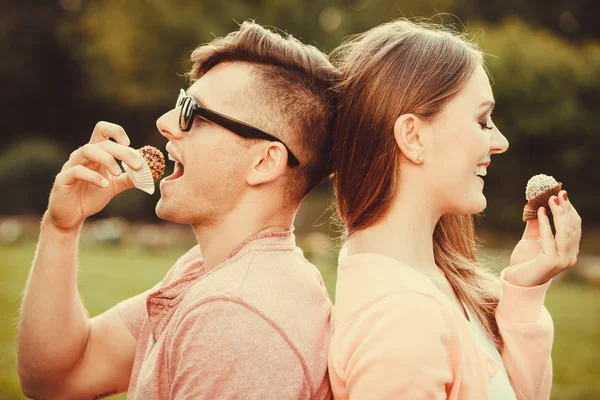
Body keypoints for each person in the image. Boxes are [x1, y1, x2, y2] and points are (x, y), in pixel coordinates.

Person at [17, 21, 337, 399]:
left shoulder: (237, 319)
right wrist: (61, 228)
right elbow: (58, 377)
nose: (165, 123)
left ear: (265, 162)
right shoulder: (206, 269)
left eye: (192, 111)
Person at [327, 20, 582, 399]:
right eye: (482, 120)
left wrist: (524, 291)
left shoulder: (429, 275)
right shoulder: (402, 320)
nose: (500, 142)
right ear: (414, 137)